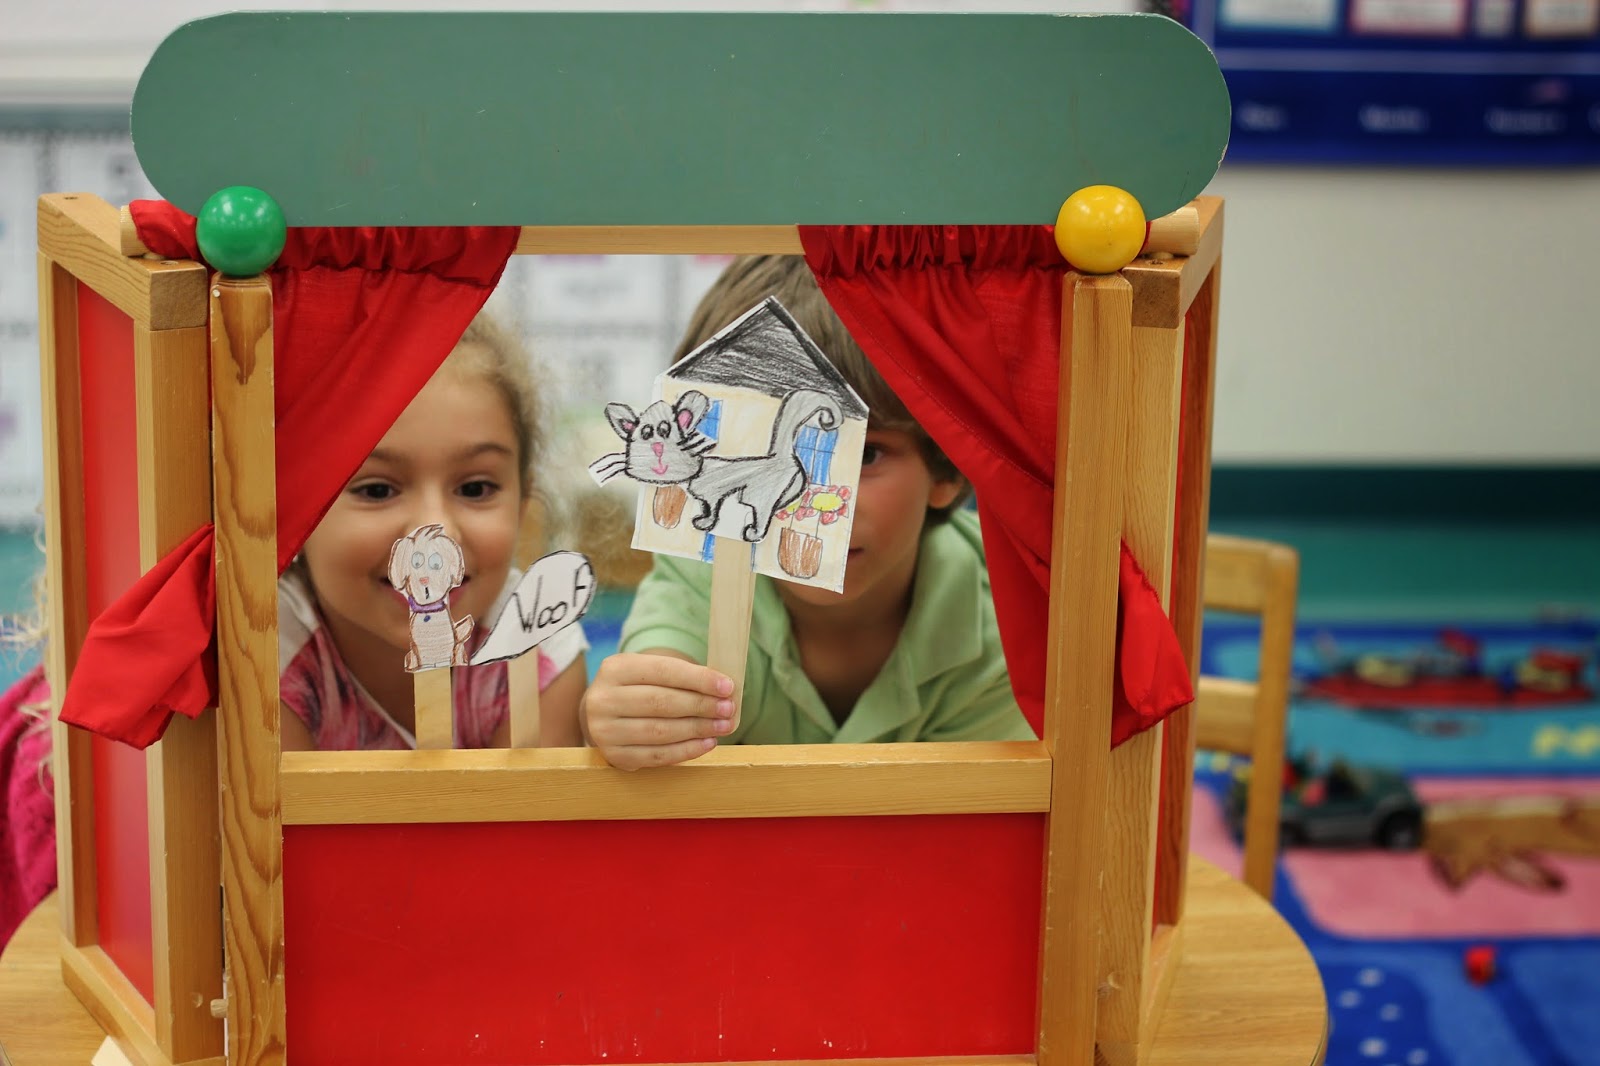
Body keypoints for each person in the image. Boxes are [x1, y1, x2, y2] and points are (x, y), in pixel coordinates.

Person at [581, 256, 1032, 769]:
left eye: (865, 455)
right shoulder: (697, 574)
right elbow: (652, 691)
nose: (805, 500)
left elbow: (971, 825)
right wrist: (632, 714)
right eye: (742, 442)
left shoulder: (1003, 615)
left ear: (947, 468)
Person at [279, 312, 587, 750]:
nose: (435, 532)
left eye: (475, 488)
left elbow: (527, 819)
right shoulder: (268, 653)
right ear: (293, 509)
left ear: (523, 504)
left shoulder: (535, 640)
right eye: (378, 489)